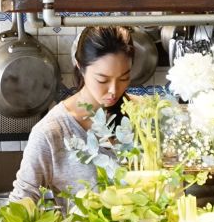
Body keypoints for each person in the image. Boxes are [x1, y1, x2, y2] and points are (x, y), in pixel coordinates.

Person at [10, 26, 134, 203]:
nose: (114, 90)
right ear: (79, 66)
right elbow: (23, 199)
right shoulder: (52, 132)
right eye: (102, 80)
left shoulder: (144, 115)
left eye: (124, 78)